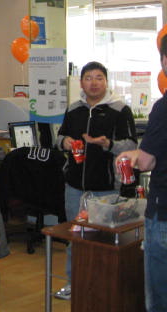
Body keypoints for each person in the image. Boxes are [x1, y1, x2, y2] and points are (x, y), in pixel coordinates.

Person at [54, 61, 137, 300]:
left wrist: (107, 144)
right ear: (81, 83)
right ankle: (74, 283)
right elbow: (59, 138)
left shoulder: (120, 110)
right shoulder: (74, 109)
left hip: (106, 188)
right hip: (74, 186)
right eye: (88, 78)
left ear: (106, 81)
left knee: (104, 240)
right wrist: (65, 142)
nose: (94, 83)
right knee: (75, 237)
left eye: (99, 77)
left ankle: (105, 287)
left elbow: (131, 145)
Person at [118, 35, 167, 312]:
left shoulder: (163, 108)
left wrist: (132, 155)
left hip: (164, 212)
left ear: (165, 61)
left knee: (159, 296)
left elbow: (147, 162)